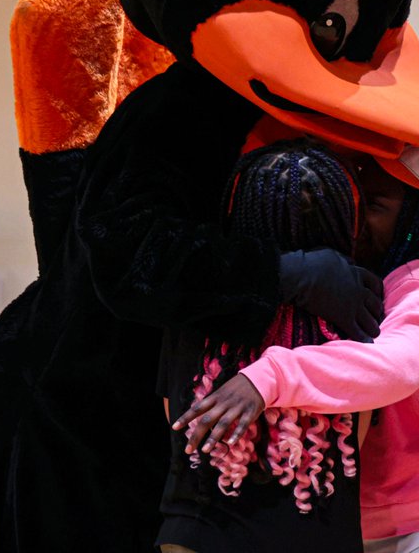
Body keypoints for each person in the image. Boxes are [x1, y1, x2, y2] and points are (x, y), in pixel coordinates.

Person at [177, 151, 419, 553]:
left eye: (375, 206)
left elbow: (396, 368)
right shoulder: (350, 282)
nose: (358, 219)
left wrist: (267, 377)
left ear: (417, 220)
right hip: (383, 524)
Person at [156, 141, 370, 552]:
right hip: (316, 536)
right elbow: (357, 440)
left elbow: (175, 419)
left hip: (196, 534)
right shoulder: (356, 314)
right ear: (341, 218)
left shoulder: (196, 309)